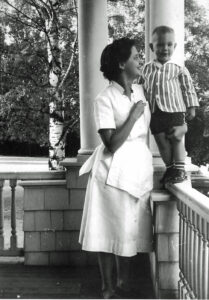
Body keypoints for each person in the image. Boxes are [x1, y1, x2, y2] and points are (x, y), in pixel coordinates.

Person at [79, 38, 153, 299]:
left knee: (128, 227)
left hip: (136, 169)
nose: (139, 61)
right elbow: (110, 144)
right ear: (122, 63)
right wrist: (133, 116)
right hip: (111, 173)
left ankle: (124, 283)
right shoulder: (104, 98)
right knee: (108, 228)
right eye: (135, 57)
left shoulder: (140, 92)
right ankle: (107, 287)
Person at [141, 26, 199, 184]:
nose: (164, 48)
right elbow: (138, 87)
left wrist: (191, 107)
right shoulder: (146, 69)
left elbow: (188, 88)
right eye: (160, 45)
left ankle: (180, 169)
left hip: (175, 110)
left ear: (174, 46)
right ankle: (170, 168)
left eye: (168, 44)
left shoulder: (178, 68)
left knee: (176, 138)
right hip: (155, 111)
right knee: (161, 140)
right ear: (152, 47)